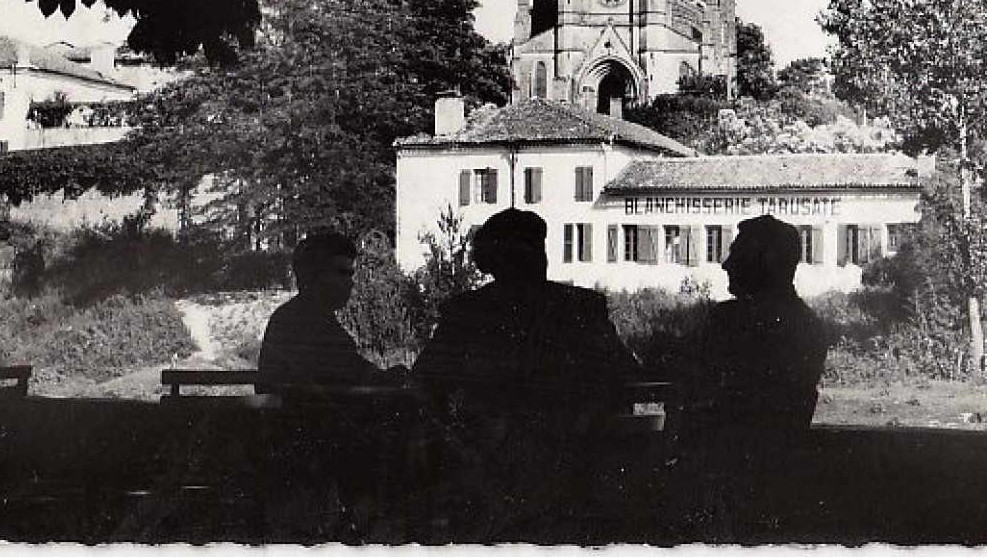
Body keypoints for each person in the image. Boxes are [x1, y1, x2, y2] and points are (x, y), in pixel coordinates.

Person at [413, 207, 641, 539]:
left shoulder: (466, 312)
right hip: (574, 472)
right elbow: (625, 378)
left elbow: (426, 383)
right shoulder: (582, 307)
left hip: (484, 473)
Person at [694, 213, 830, 438]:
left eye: (737, 254)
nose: (726, 265)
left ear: (767, 260)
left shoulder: (727, 321)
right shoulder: (808, 325)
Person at [257, 232, 387, 390]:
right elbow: (342, 368)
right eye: (341, 273)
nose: (350, 283)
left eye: (350, 275)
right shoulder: (297, 323)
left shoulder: (315, 318)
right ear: (314, 276)